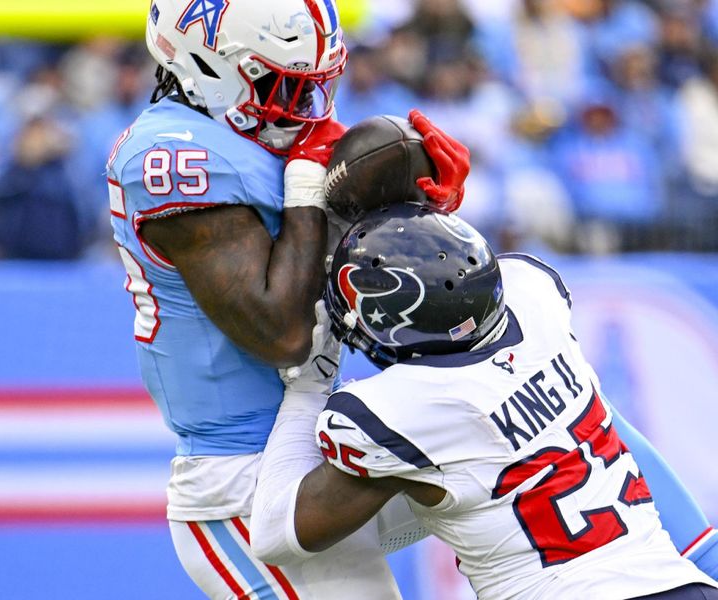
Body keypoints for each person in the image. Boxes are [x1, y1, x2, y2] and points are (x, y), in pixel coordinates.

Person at [106, 1, 465, 597]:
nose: (302, 109)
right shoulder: (170, 157)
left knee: (548, 437)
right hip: (242, 483)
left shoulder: (245, 130)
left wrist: (414, 213)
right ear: (206, 64)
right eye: (282, 85)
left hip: (321, 437)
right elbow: (281, 333)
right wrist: (306, 192)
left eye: (312, 87)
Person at [250, 201, 718, 598]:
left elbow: (275, 533)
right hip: (683, 584)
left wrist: (310, 385)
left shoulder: (398, 410)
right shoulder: (535, 297)